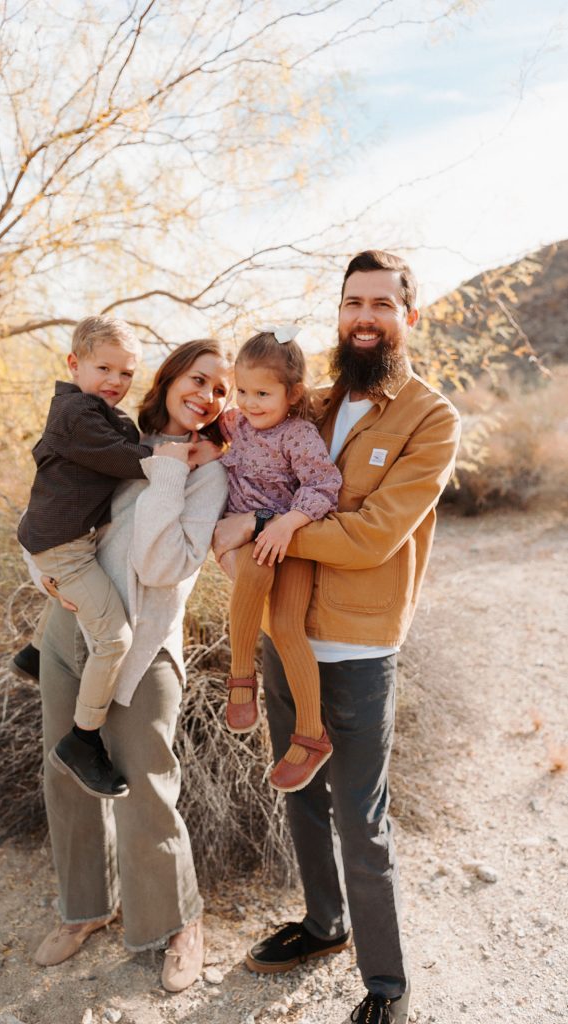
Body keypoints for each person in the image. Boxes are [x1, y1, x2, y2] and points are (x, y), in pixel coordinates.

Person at [213, 251, 460, 1024]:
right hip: (286, 636)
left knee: (360, 814)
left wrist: (254, 526)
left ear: (407, 319)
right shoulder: (309, 404)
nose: (364, 316)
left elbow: (371, 537)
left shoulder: (430, 417)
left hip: (355, 647)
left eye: (381, 304)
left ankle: (385, 981)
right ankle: (323, 926)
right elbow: (241, 446)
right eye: (353, 301)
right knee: (300, 794)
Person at [33, 338, 232, 995]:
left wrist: (173, 466)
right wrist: (45, 581)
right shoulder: (119, 436)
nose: (207, 395)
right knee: (65, 775)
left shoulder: (207, 473)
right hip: (70, 631)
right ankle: (84, 909)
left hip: (143, 647)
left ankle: (179, 923)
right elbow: (51, 512)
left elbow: (159, 565)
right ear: (171, 377)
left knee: (148, 789)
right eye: (198, 379)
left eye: (222, 390)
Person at [18, 315, 177, 799]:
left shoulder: (93, 413)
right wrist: (183, 457)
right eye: (104, 368)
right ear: (75, 364)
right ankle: (83, 740)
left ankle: (35, 653)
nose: (115, 381)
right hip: (62, 549)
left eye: (126, 374)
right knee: (113, 638)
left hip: (64, 538)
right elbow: (129, 462)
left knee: (82, 600)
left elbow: (126, 442)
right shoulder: (76, 415)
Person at [220, 327, 342, 792]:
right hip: (255, 543)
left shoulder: (298, 435)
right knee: (252, 572)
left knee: (290, 628)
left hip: (292, 541)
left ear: (292, 394)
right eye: (243, 390)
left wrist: (288, 522)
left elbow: (324, 485)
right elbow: (209, 426)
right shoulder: (238, 425)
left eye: (263, 393)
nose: (250, 402)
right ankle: (242, 677)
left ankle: (311, 734)